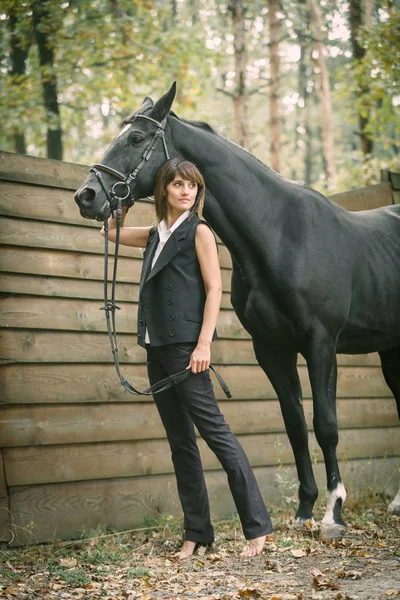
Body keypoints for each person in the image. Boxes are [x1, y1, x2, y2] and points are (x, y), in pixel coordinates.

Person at [102, 157, 273, 559]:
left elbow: (215, 290)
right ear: (164, 189)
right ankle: (196, 534)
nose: (186, 191)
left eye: (192, 185)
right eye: (178, 184)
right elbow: (110, 231)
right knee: (181, 444)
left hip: (186, 350)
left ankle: (257, 529)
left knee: (217, 436)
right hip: (156, 348)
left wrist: (204, 345)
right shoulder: (154, 234)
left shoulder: (199, 232)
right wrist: (124, 199)